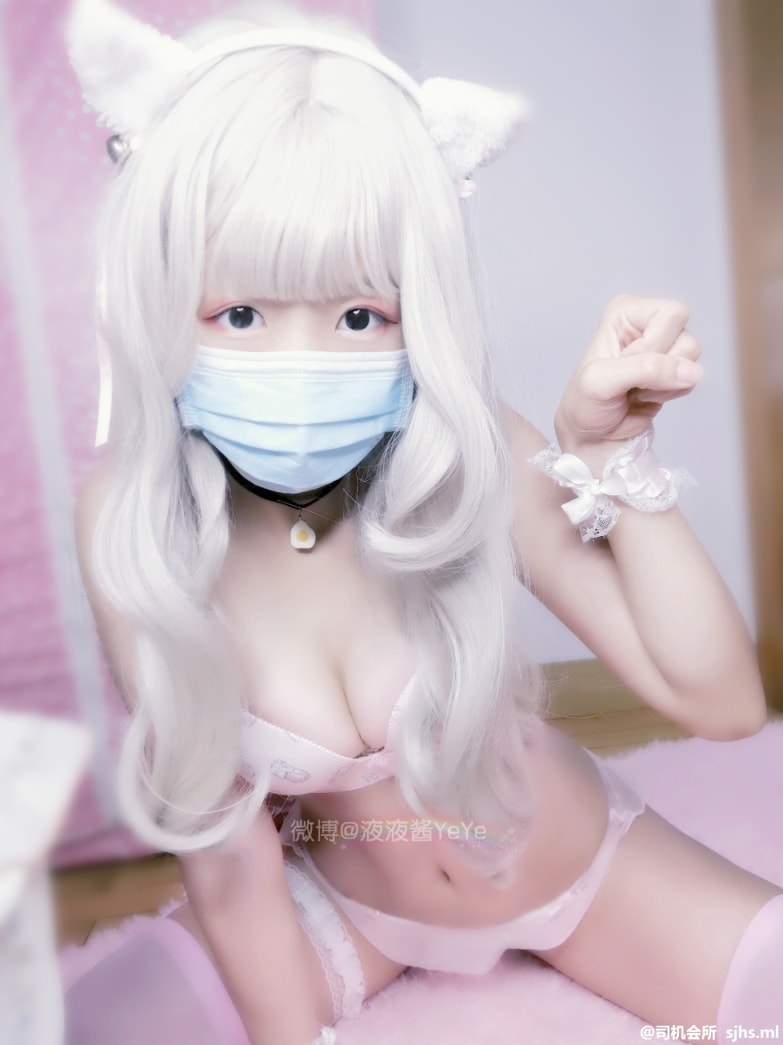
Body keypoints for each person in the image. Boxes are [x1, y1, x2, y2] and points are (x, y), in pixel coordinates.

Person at [65, 1, 782, 1042]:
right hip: (346, 915)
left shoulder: (467, 446)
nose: (301, 365)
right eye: (241, 314)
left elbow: (719, 700)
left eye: (359, 315)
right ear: (161, 296)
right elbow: (228, 860)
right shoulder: (132, 519)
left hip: (581, 873)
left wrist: (611, 459)